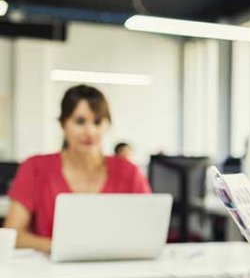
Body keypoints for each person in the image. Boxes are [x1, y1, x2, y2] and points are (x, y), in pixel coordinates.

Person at [3, 85, 151, 253]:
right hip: (51, 271)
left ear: (107, 124)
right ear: (63, 123)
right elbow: (14, 234)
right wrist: (59, 248)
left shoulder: (129, 172)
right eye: (80, 121)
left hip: (115, 267)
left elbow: (147, 231)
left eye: (97, 122)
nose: (90, 131)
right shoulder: (35, 168)